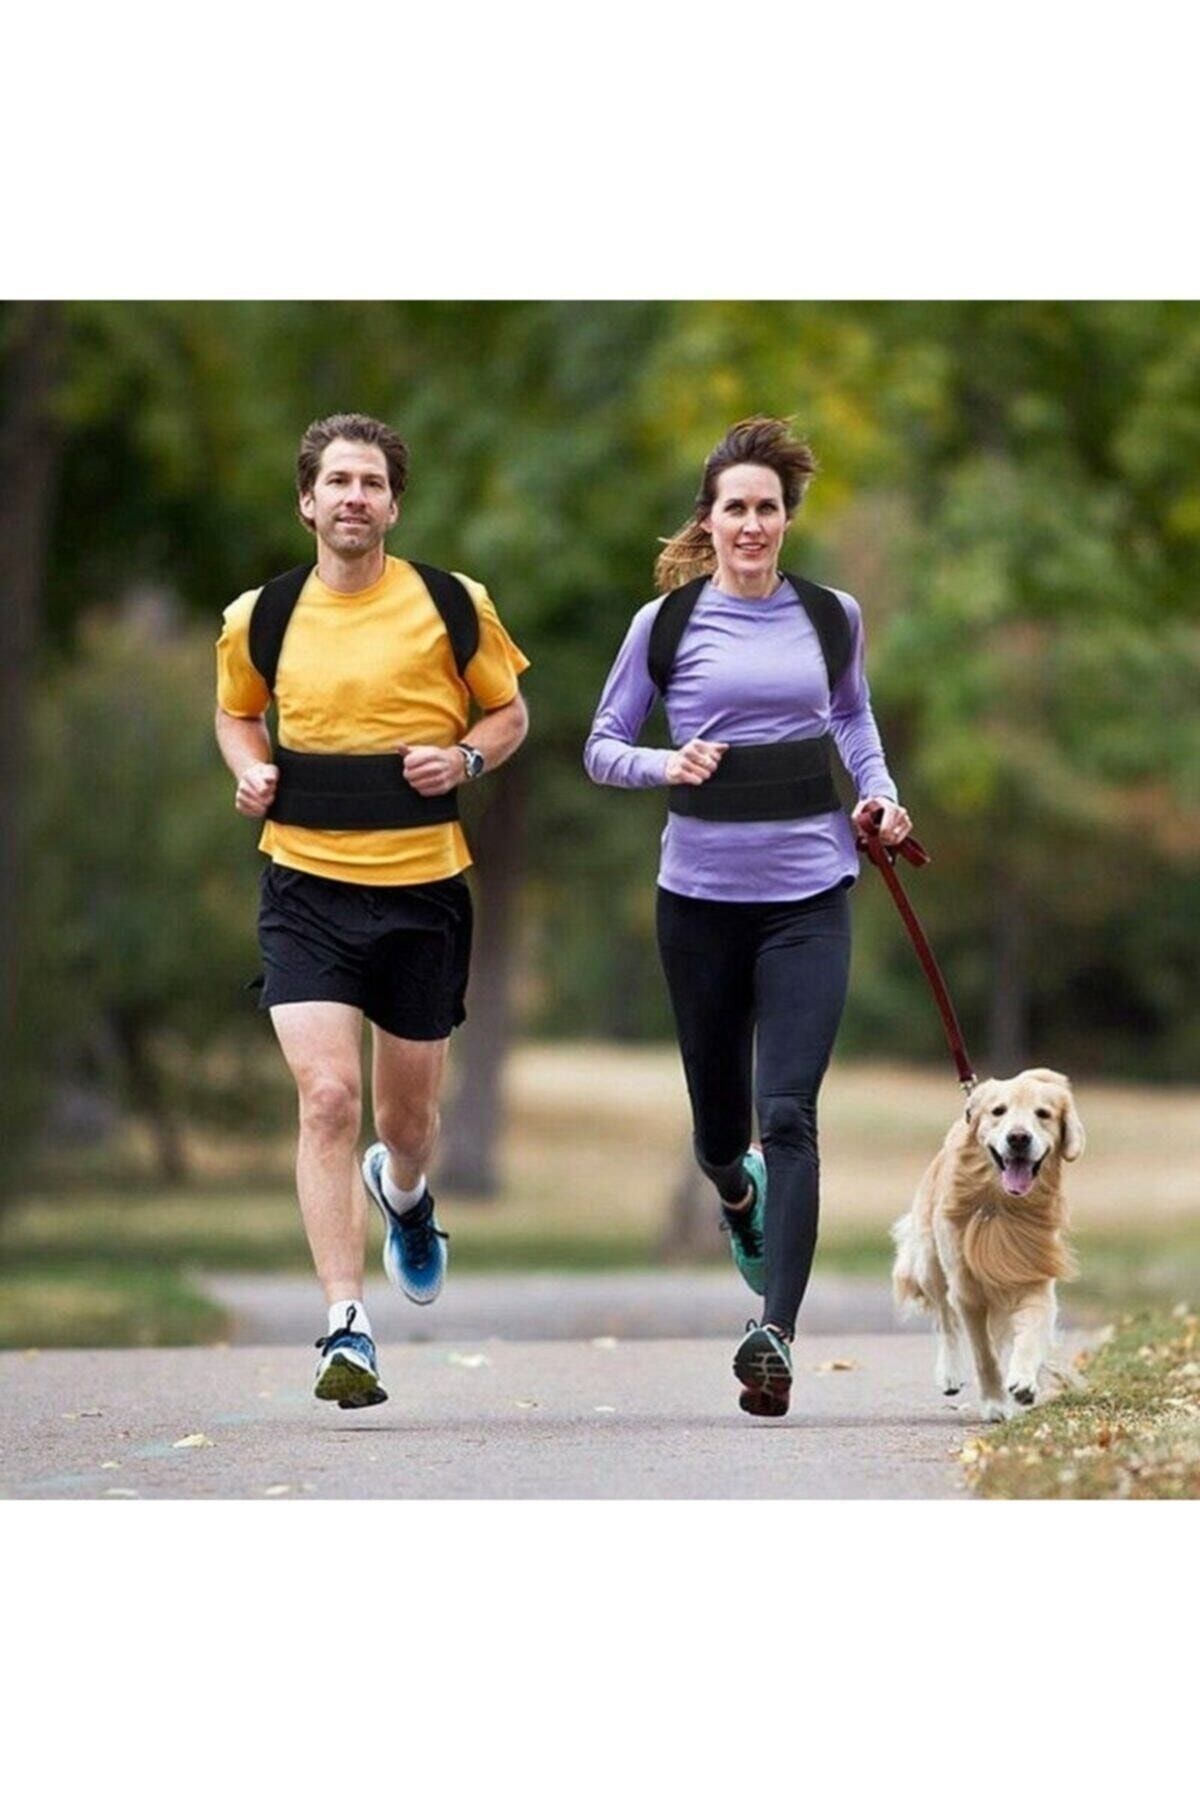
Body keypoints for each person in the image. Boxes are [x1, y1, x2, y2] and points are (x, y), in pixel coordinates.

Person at [584, 416, 911, 1418]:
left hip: (811, 894)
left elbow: (852, 717)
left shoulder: (830, 617)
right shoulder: (667, 626)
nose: (754, 524)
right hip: (699, 905)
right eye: (737, 508)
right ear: (711, 520)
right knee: (723, 1134)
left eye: (769, 507)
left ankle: (775, 1332)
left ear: (786, 518)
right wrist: (663, 762)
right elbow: (602, 744)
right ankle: (737, 1196)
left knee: (790, 1115)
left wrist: (880, 795)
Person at [215, 412, 529, 1409]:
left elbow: (510, 711)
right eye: (337, 481)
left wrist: (468, 757)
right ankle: (344, 1327)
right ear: (308, 501)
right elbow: (234, 711)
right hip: (303, 886)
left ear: (394, 503)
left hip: (423, 890)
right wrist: (252, 768)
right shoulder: (257, 616)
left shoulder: (451, 604)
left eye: (372, 483)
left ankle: (405, 1195)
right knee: (328, 1100)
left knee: (407, 1122)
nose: (354, 497)